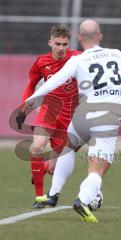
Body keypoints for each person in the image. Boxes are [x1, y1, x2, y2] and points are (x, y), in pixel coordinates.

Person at [26, 19, 121, 222]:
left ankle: (53, 194)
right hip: (106, 118)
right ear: (100, 36)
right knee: (97, 167)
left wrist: (30, 101)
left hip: (82, 116)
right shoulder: (116, 54)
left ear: (79, 38)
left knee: (67, 149)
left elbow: (55, 81)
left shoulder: (77, 60)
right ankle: (82, 200)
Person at [21, 25, 80, 209]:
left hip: (70, 116)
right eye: (57, 44)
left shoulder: (78, 58)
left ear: (69, 44)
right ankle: (39, 196)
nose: (61, 48)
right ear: (50, 42)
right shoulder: (41, 62)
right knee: (37, 146)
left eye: (64, 44)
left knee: (54, 169)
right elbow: (31, 85)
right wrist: (24, 106)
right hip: (49, 110)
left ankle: (42, 169)